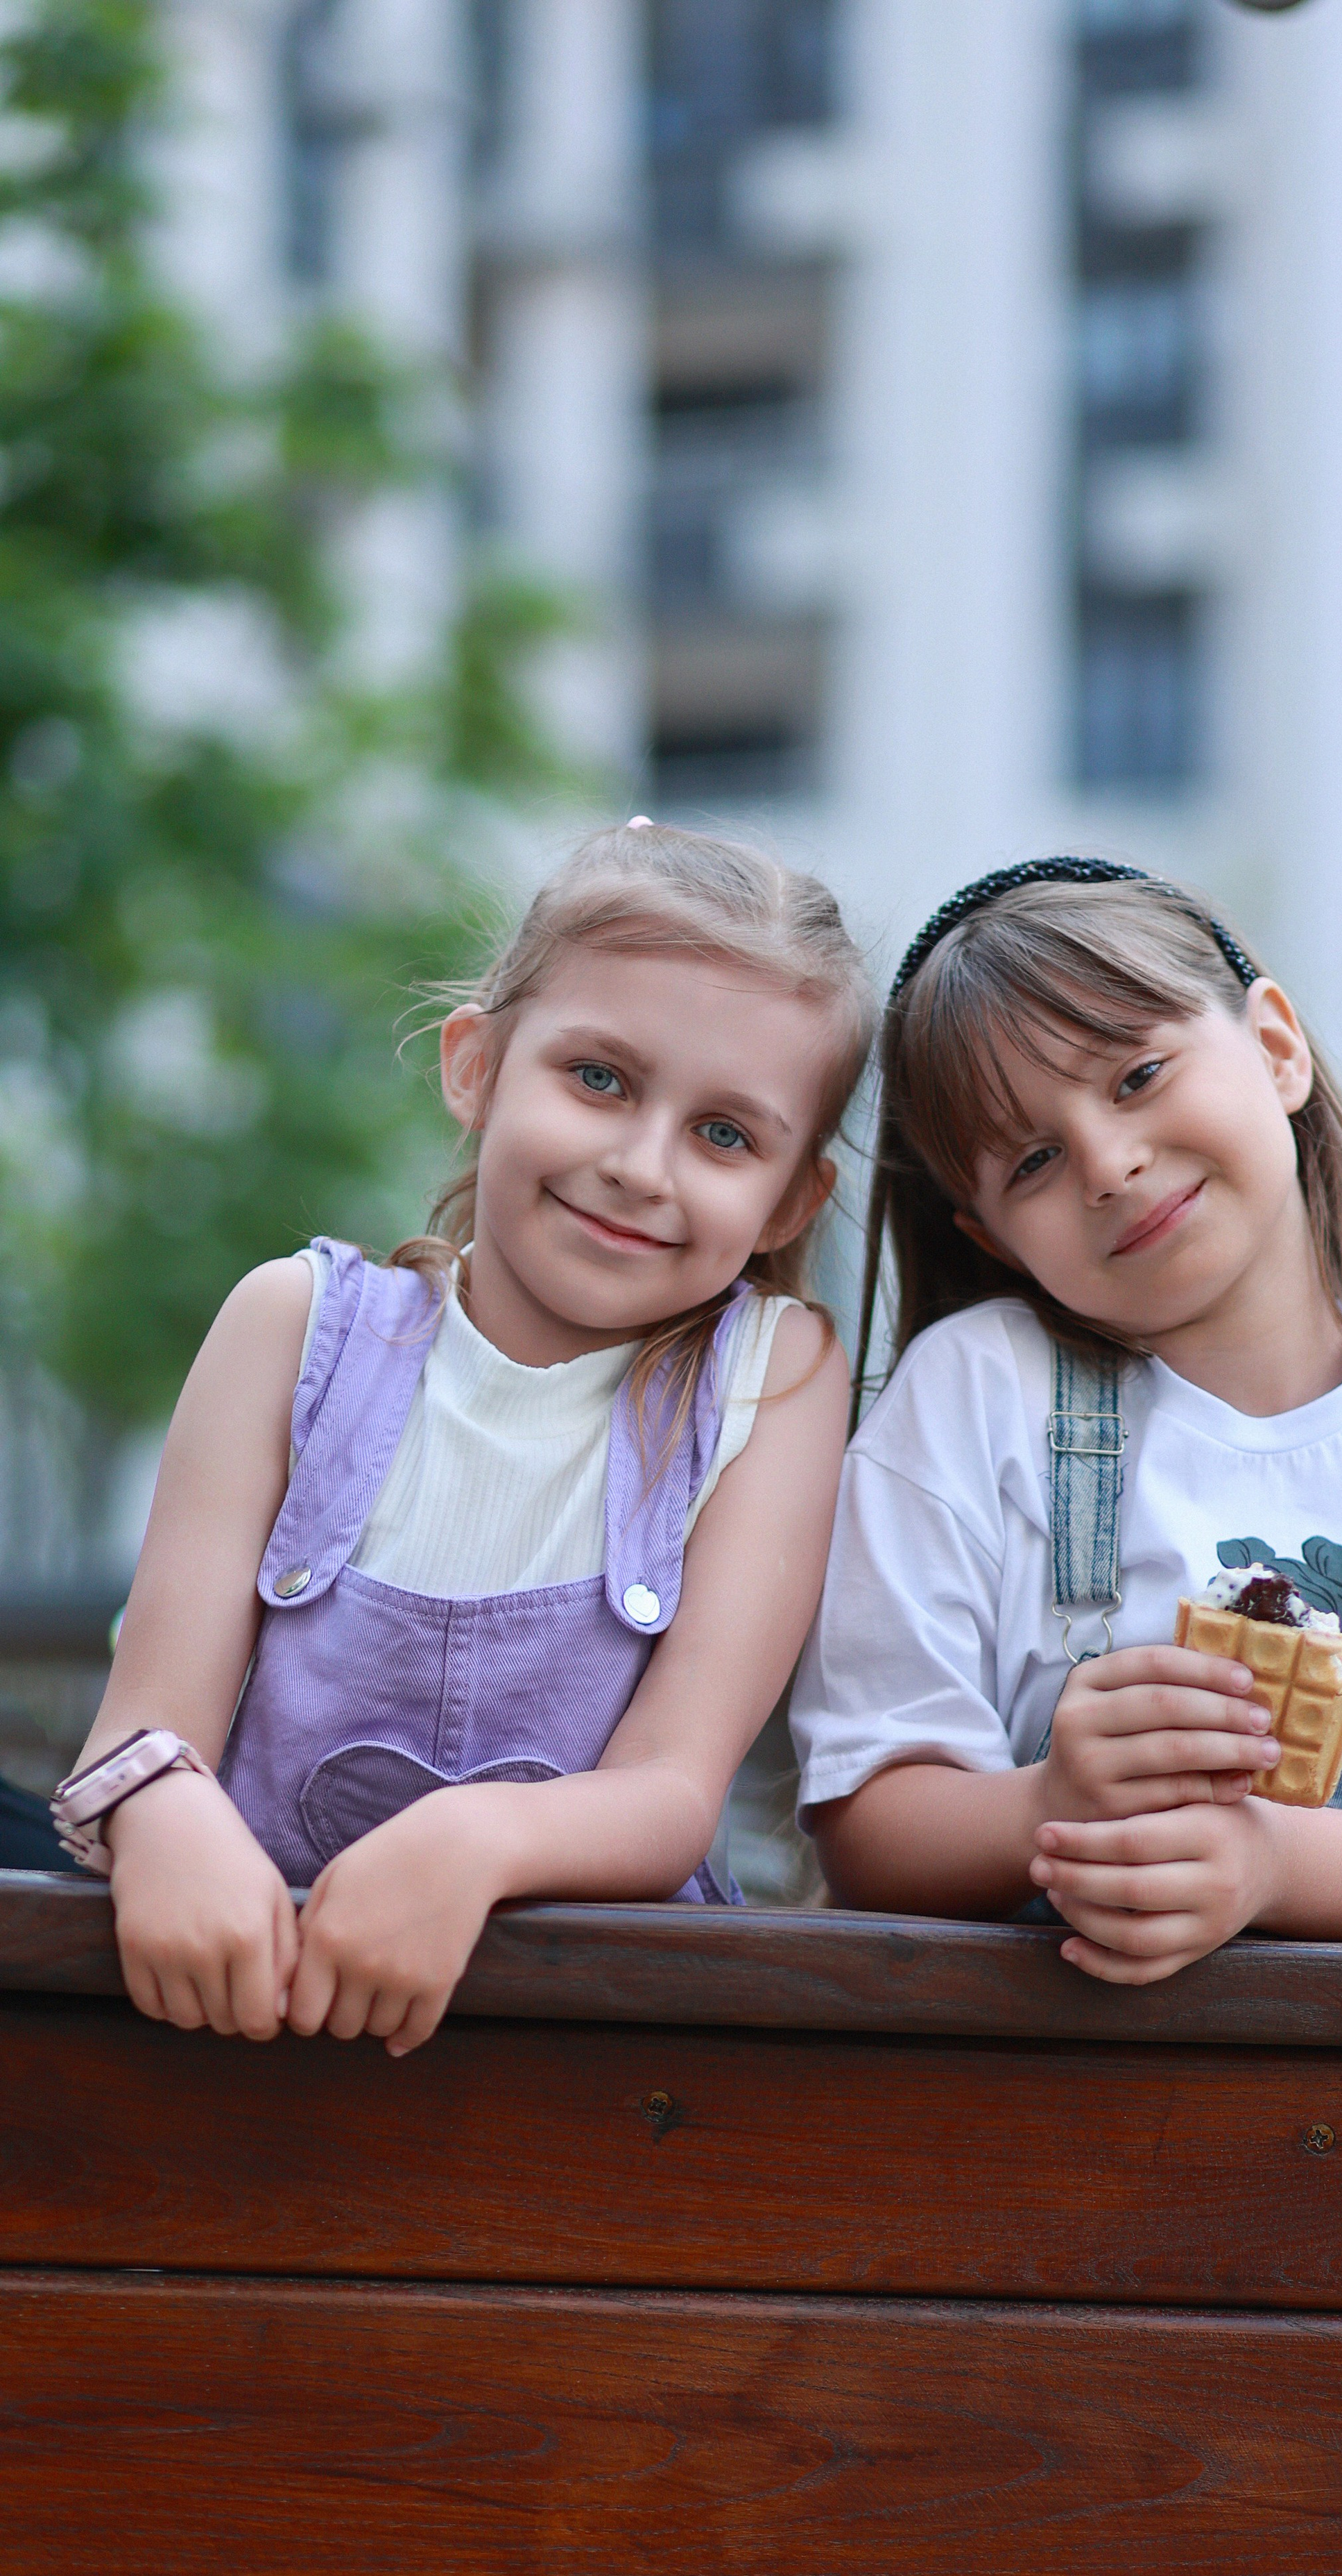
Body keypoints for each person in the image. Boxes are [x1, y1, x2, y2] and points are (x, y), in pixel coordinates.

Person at [57, 822, 875, 2051]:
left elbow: (670, 1795)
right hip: (232, 2040)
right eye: (599, 1077)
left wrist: (471, 1841)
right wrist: (164, 1817)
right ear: (476, 1066)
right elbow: (141, 1732)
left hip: (599, 2070)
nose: (643, 1166)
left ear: (791, 1200)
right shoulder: (292, 1325)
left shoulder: (778, 1376)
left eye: (725, 1134)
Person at [791, 858, 1342, 1985]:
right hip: (1022, 2110)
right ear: (994, 1237)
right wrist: (1047, 1802)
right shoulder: (974, 1394)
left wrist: (1266, 1864)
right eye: (1035, 1159)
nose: (1110, 1162)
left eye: (1139, 1074)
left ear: (1277, 1048)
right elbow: (870, 1827)